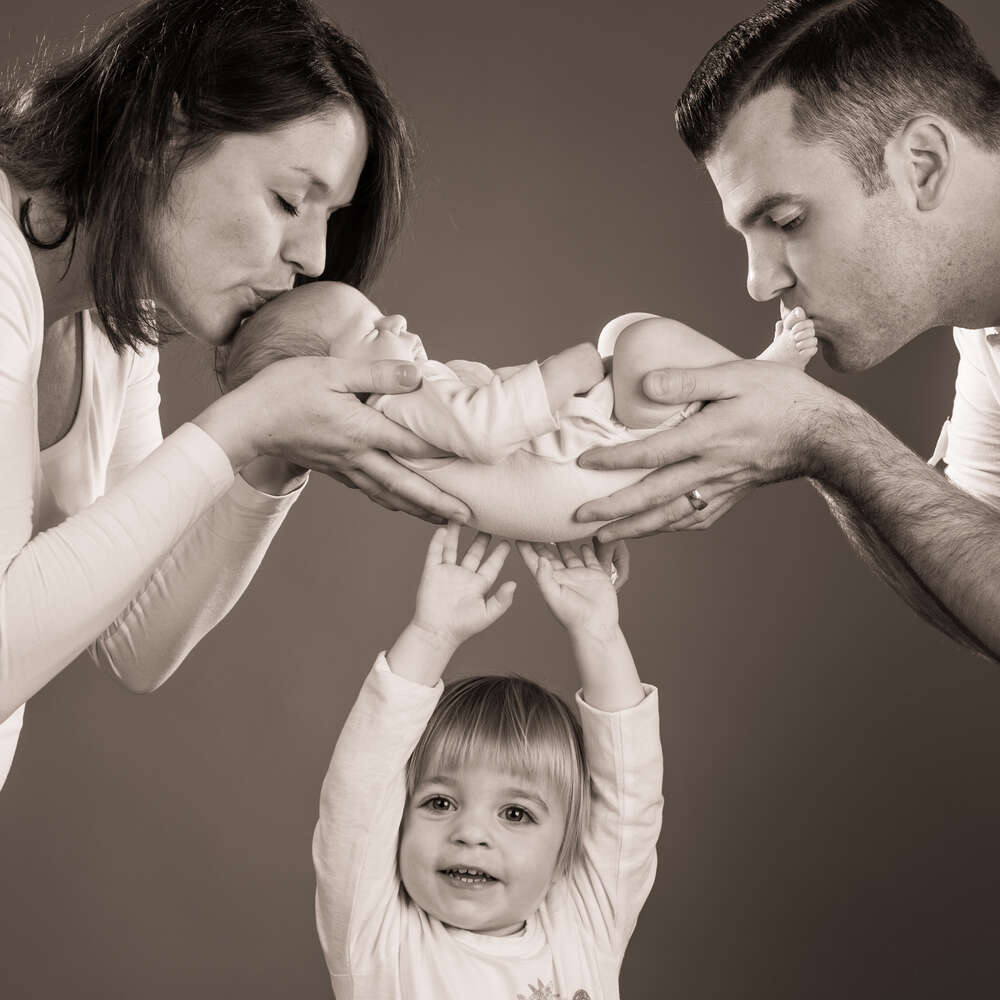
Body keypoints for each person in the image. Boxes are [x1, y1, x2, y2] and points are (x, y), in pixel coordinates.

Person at [0, 0, 472, 792]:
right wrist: (244, 420)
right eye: (291, 201)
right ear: (165, 134)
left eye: (330, 219)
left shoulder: (119, 325)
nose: (315, 257)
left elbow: (134, 635)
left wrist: (270, 455)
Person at [575, 0, 1000, 660]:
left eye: (789, 221)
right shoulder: (986, 333)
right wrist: (817, 446)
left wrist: (829, 437)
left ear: (922, 164)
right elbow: (981, 595)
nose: (758, 283)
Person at [312, 521, 662, 999]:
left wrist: (598, 634)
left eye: (515, 813)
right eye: (439, 803)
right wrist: (431, 635)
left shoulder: (583, 925)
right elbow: (357, 791)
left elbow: (631, 796)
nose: (470, 834)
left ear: (567, 851)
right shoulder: (377, 941)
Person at [218, 280, 817, 542]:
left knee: (626, 333)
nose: (396, 321)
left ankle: (747, 387)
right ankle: (761, 379)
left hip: (578, 484)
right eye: (373, 327)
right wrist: (564, 372)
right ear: (338, 380)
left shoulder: (388, 425)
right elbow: (486, 431)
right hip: (588, 462)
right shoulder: (398, 399)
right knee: (642, 342)